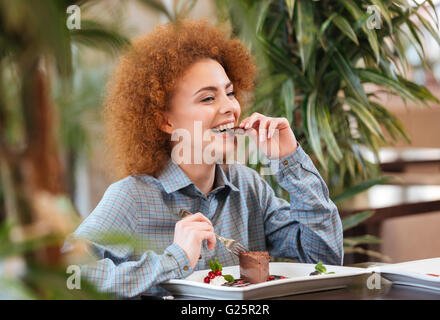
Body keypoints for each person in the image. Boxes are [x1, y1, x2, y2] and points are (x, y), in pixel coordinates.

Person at [68, 19, 343, 298]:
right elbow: (69, 276)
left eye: (230, 92)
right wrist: (175, 260)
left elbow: (324, 258)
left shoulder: (249, 188)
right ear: (166, 120)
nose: (230, 108)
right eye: (208, 98)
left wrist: (289, 158)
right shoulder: (132, 198)